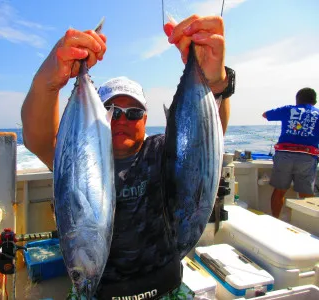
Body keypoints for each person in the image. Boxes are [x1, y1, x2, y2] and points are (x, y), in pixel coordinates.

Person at [21, 15, 234, 300]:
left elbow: (204, 139)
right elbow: (38, 139)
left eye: (133, 113)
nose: (122, 120)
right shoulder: (79, 160)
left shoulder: (161, 152)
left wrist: (217, 83)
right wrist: (48, 82)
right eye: (113, 111)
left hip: (167, 290)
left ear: (146, 120)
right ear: (99, 116)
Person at [263, 88, 319, 219]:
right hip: (307, 157)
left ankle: (275, 219)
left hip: (284, 156)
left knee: (279, 191)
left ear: (297, 100)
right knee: (305, 194)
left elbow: (265, 115)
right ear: (315, 101)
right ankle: (307, 225)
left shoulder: (289, 109)